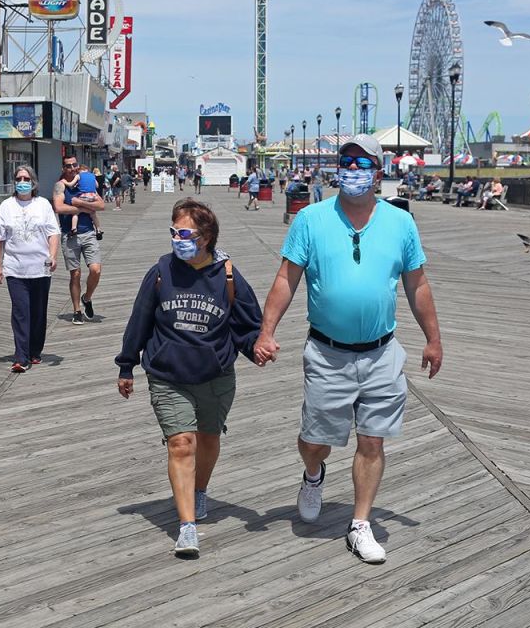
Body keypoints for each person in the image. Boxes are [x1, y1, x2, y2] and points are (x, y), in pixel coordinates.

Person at [254, 134, 443, 565]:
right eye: (346, 162)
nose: (353, 171)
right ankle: (314, 473)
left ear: (378, 172)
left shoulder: (400, 223)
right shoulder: (311, 219)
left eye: (362, 164)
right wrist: (267, 331)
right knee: (315, 439)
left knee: (372, 440)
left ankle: (360, 524)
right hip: (327, 353)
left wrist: (433, 339)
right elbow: (287, 279)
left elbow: (418, 284)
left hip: (381, 352)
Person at [116, 199, 261, 557]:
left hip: (216, 375)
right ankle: (187, 526)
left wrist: (256, 348)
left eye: (184, 233)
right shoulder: (162, 271)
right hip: (167, 375)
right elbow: (140, 320)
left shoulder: (227, 274)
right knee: (182, 443)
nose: (176, 239)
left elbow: (247, 326)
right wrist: (126, 365)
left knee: (208, 440)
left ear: (206, 236)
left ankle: (199, 491)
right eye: (173, 232)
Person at [0, 166, 60, 372]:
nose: (22, 181)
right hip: (15, 269)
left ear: (33, 182)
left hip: (40, 268)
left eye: (26, 178)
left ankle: (35, 351)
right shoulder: (6, 206)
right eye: (19, 178)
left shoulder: (43, 205)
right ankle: (21, 357)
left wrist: (53, 256)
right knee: (21, 312)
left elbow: (53, 233)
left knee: (38, 313)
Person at [53, 155, 107, 325]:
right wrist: (81, 206)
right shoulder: (60, 185)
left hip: (89, 233)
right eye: (68, 166)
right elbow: (59, 207)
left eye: (74, 165)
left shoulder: (85, 181)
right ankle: (76, 310)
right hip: (70, 235)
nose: (72, 168)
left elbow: (101, 205)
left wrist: (79, 204)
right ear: (64, 168)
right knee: (75, 274)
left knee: (96, 270)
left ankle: (87, 297)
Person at [66, 166, 103, 236]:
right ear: (87, 169)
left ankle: (74, 228)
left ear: (80, 170)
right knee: (93, 214)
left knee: (75, 212)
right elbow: (97, 186)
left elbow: (71, 184)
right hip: (93, 196)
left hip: (83, 195)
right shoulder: (92, 175)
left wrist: (64, 182)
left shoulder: (78, 175)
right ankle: (98, 230)